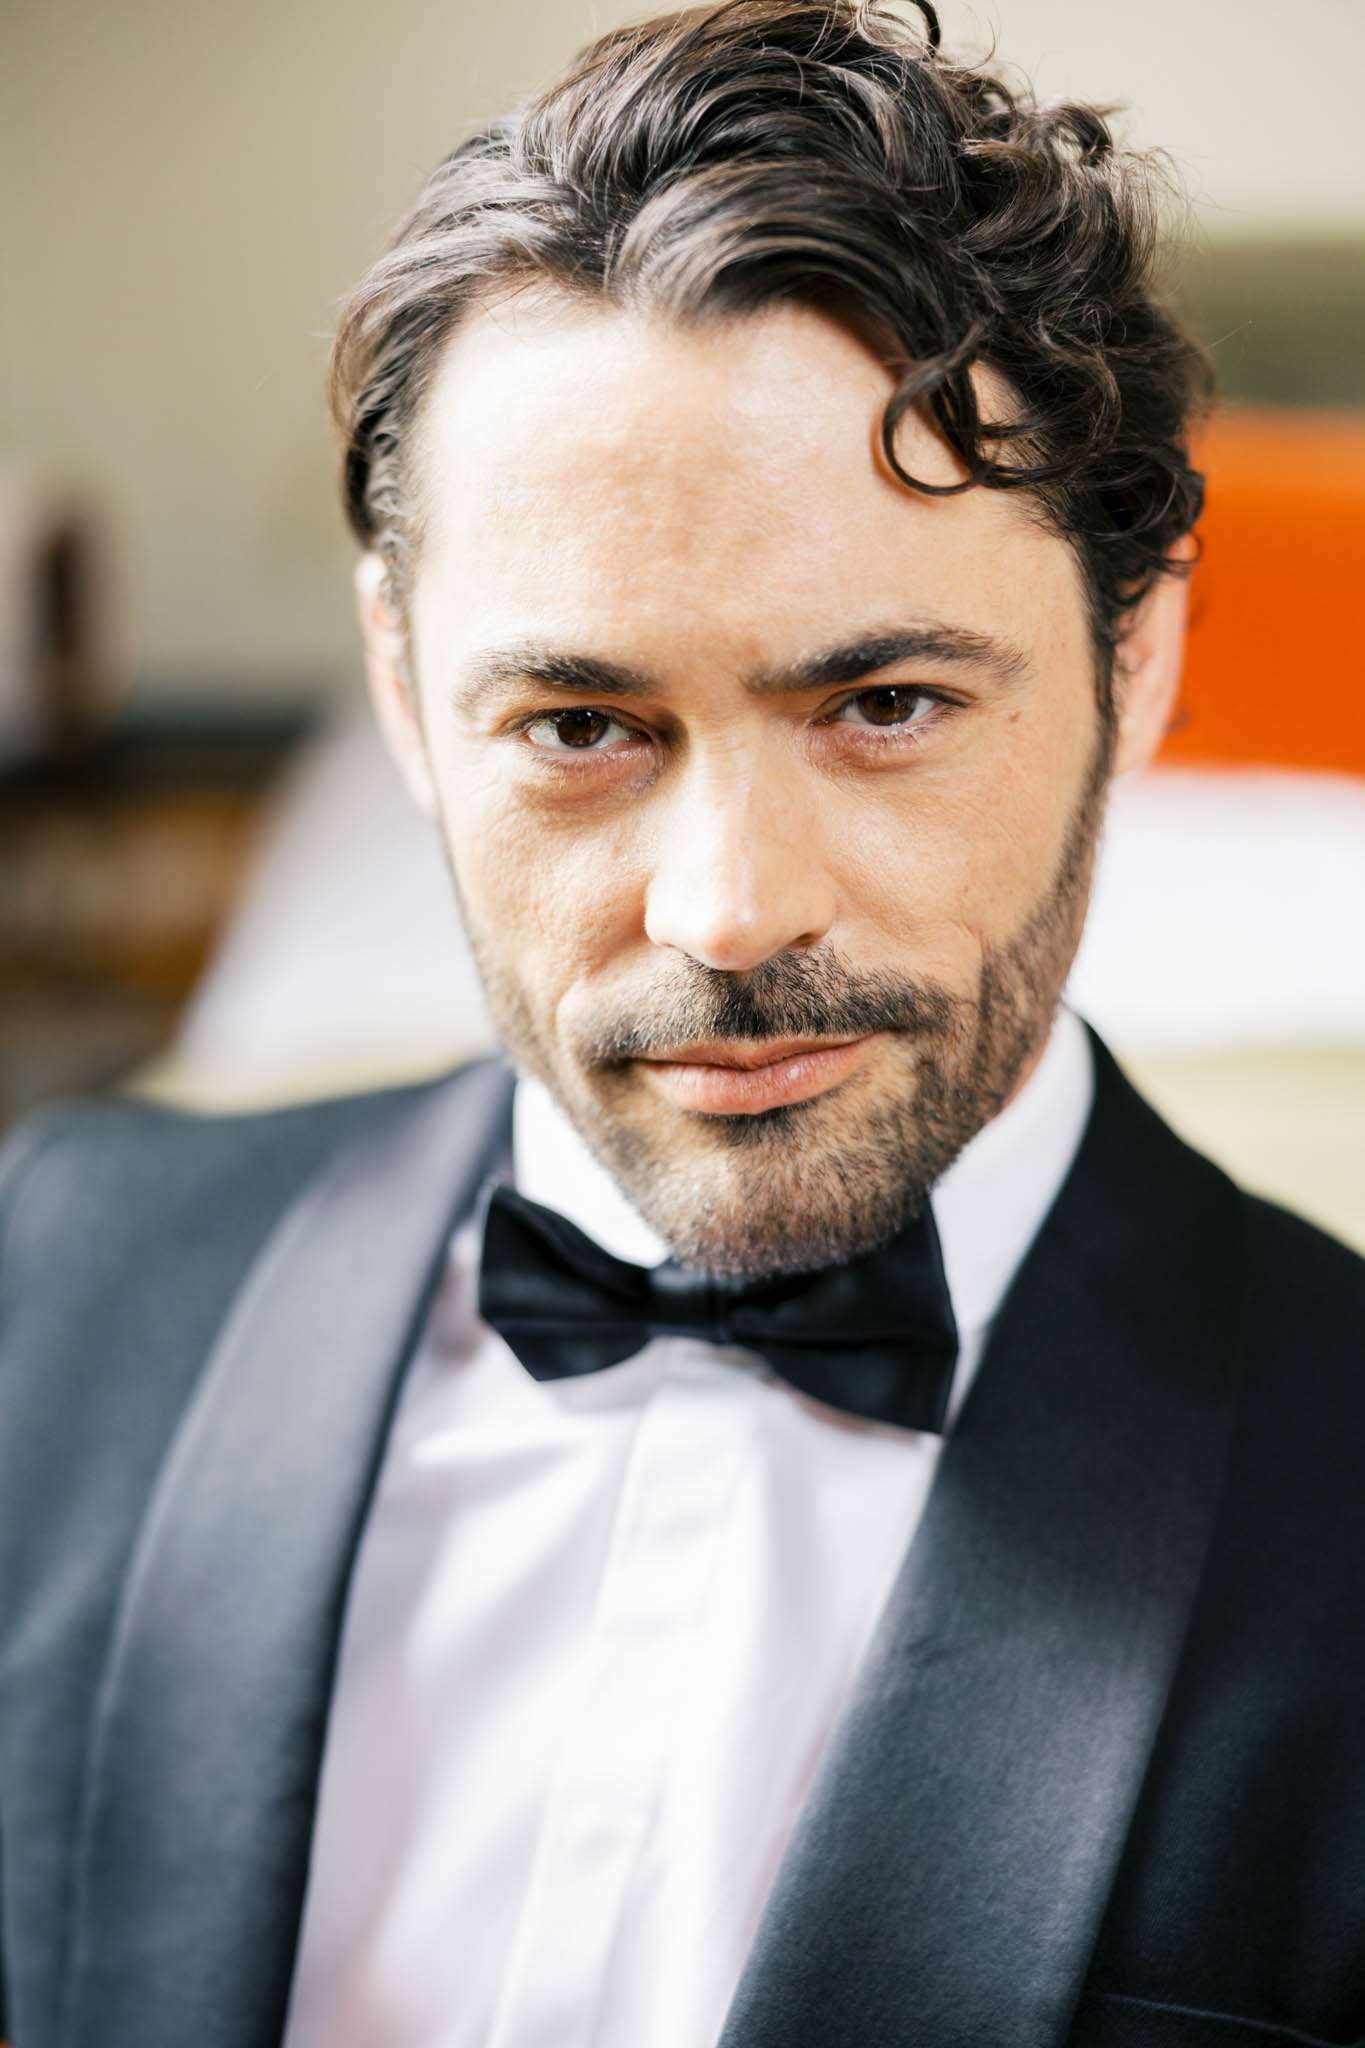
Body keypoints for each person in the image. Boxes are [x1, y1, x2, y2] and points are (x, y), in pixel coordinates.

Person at [2, 2, 1363, 2044]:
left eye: (883, 704)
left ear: (1135, 651)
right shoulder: (56, 1274)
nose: (727, 913)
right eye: (576, 723)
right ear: (399, 690)